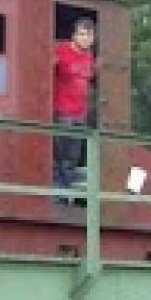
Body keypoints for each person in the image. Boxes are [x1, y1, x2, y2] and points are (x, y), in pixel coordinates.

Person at [52, 18, 96, 193]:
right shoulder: (61, 50)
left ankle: (66, 195)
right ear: (74, 35)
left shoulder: (89, 56)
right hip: (62, 111)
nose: (85, 38)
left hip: (80, 113)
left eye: (89, 35)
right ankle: (57, 193)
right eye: (82, 34)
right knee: (60, 154)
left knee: (73, 156)